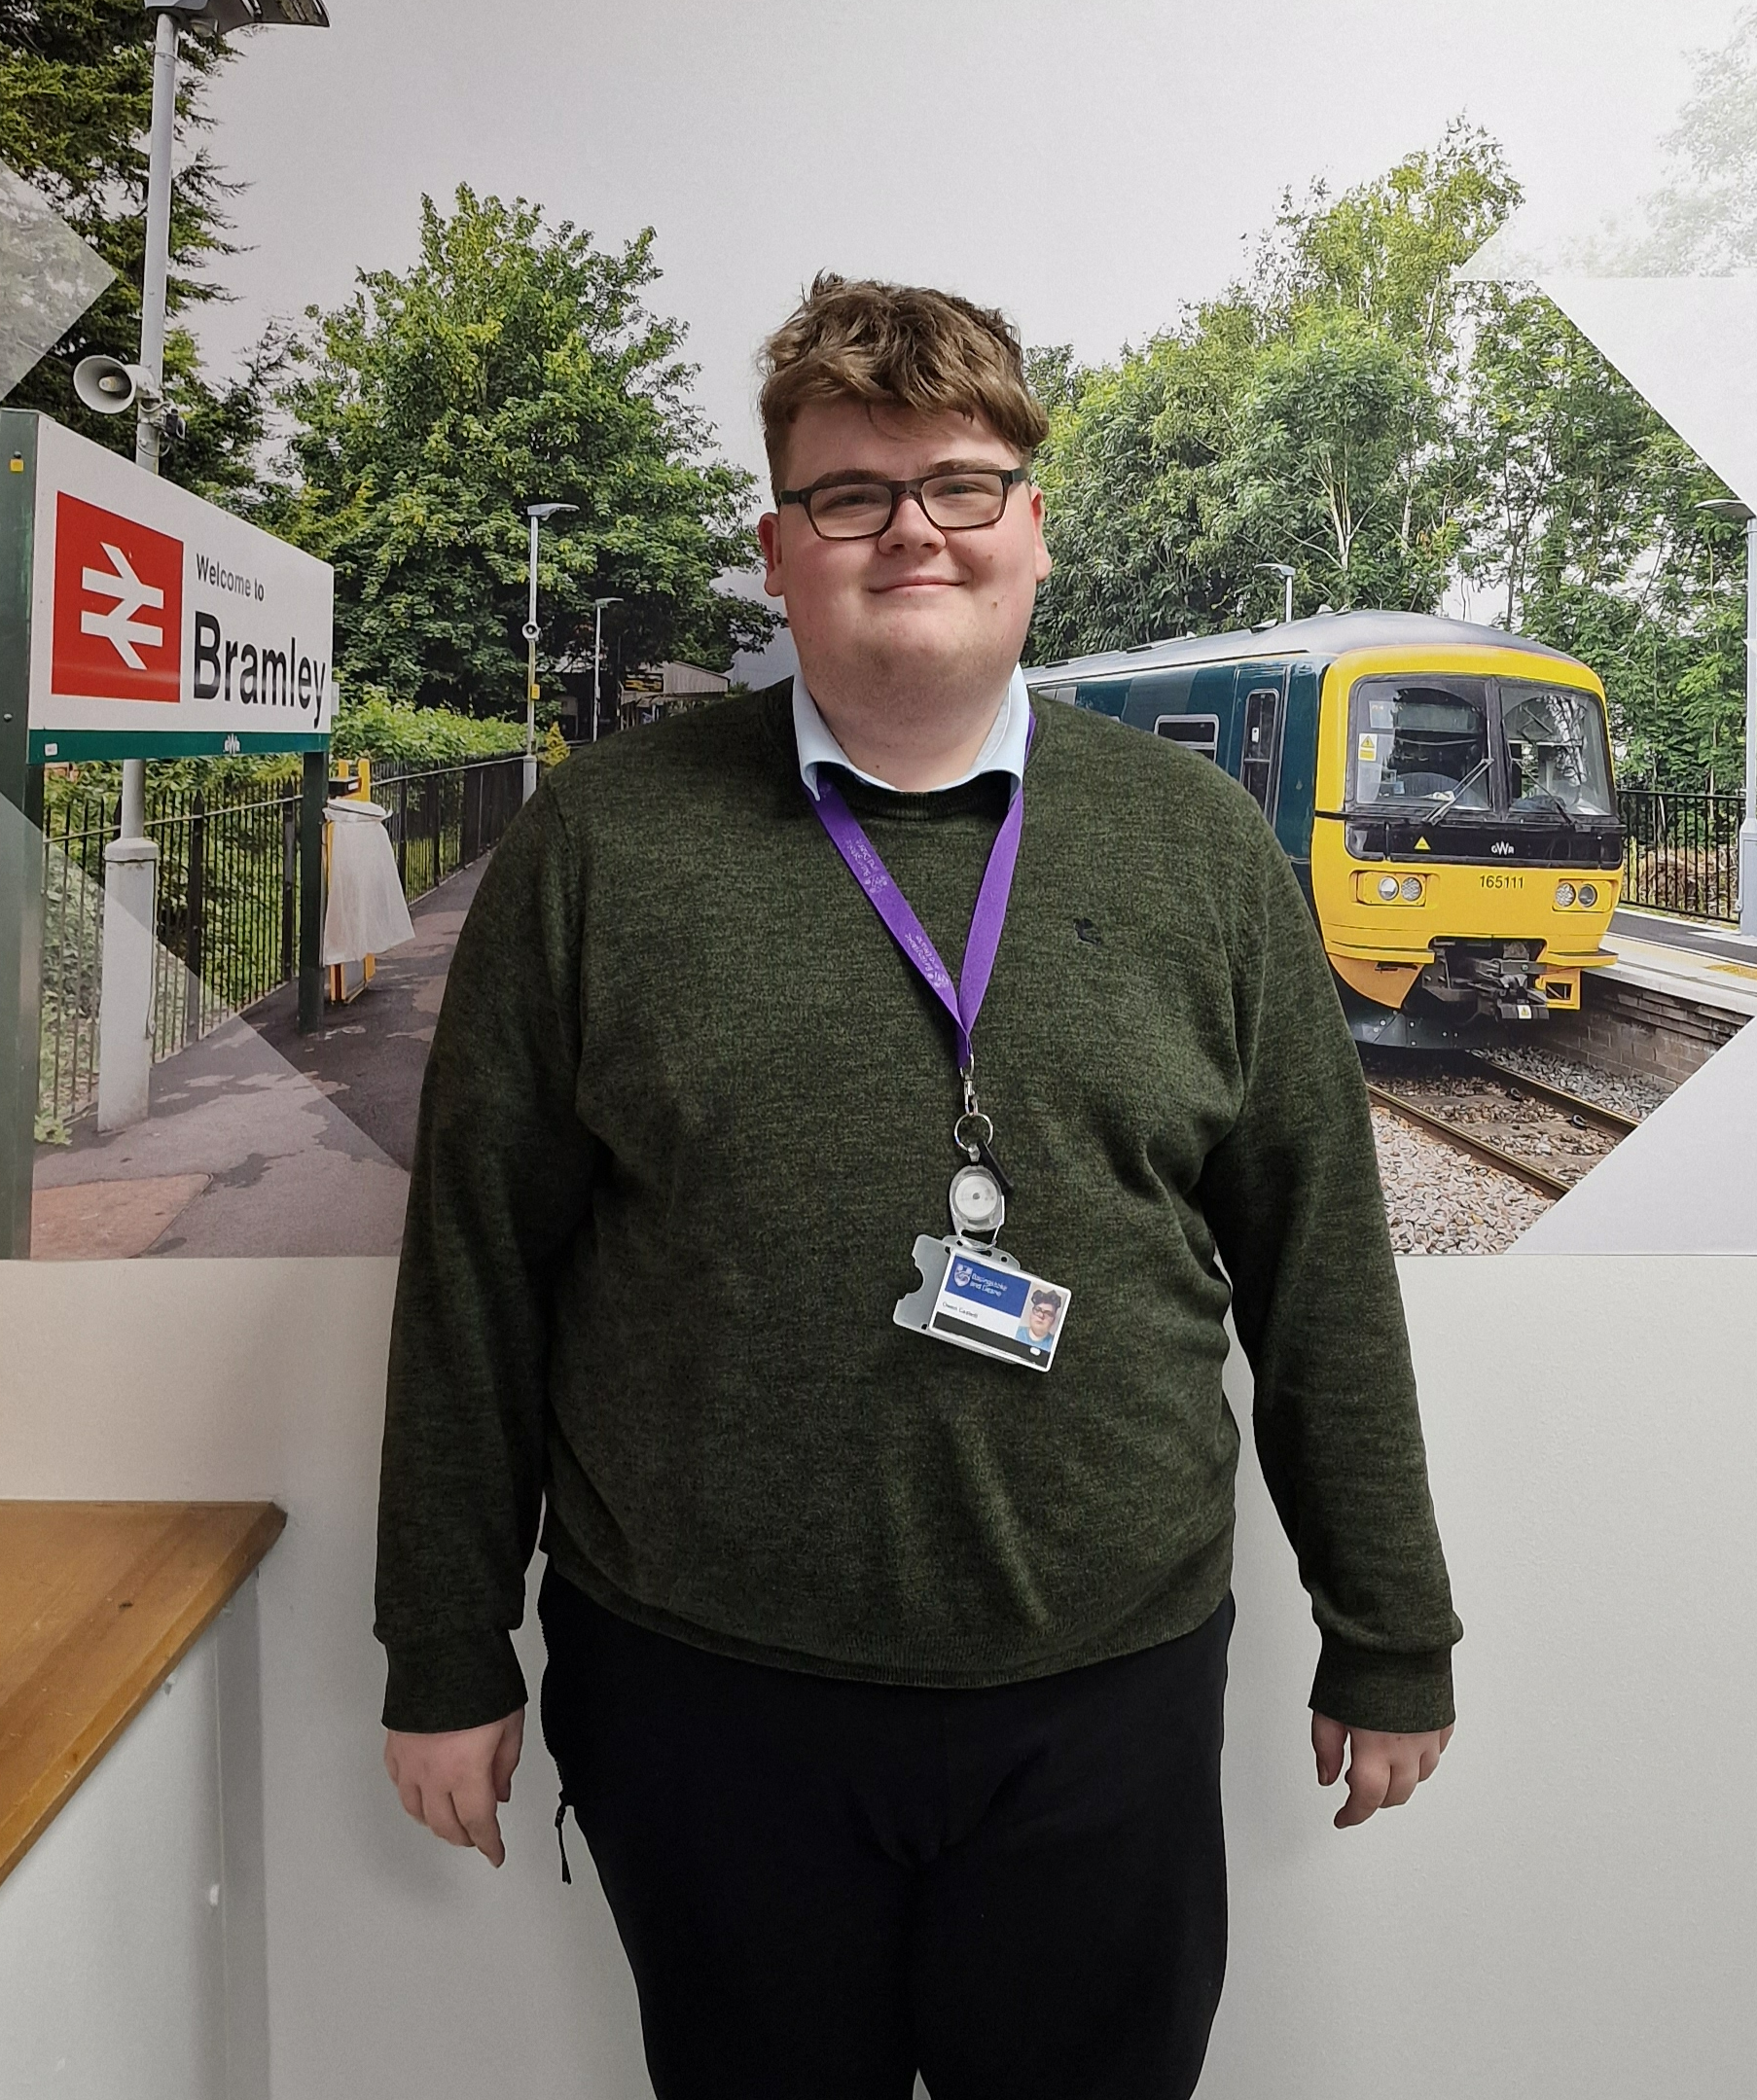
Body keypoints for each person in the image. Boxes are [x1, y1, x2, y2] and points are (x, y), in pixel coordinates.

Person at [376, 274, 1458, 2100]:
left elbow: (1322, 1273)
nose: (912, 532)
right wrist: (441, 1640)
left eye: (960, 483)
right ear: (779, 547)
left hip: (1104, 1690)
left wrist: (1393, 1626)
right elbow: (476, 1269)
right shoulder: (601, 845)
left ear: (1033, 523)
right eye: (850, 494)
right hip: (703, 1694)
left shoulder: (1198, 850)